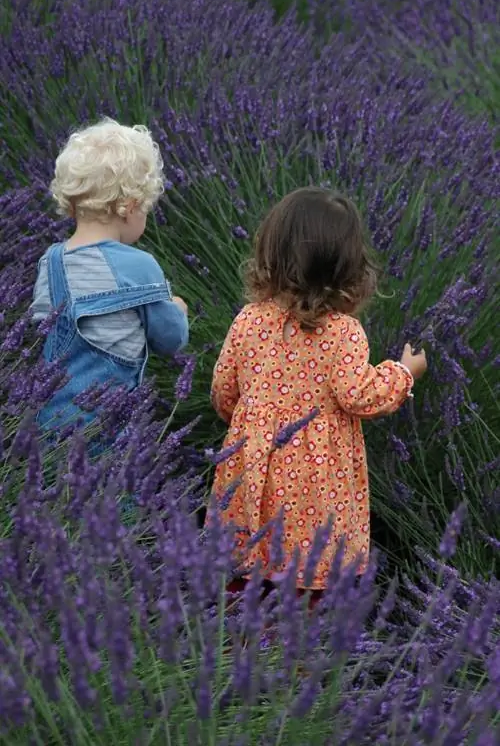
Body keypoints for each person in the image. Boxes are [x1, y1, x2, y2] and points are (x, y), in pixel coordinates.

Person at [211, 187, 427, 602]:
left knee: (245, 577)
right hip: (315, 483)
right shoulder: (343, 332)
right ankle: (300, 658)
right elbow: (360, 395)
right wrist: (403, 372)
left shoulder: (249, 321)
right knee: (308, 576)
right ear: (348, 269)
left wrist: (250, 424)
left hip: (252, 469)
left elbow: (224, 391)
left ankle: (243, 652)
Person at [31, 118, 189, 435]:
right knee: (112, 486)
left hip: (49, 423)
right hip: (109, 427)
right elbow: (170, 341)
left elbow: (44, 330)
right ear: (130, 207)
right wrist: (177, 310)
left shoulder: (50, 262)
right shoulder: (139, 266)